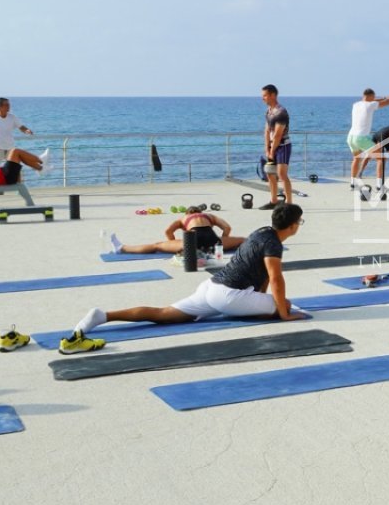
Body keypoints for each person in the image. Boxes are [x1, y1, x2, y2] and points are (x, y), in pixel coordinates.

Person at [58, 203, 304, 352]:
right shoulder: (273, 245)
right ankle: (263, 309)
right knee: (287, 305)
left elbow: (259, 275)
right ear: (292, 226)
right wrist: (282, 313)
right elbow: (276, 279)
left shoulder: (260, 232)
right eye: (299, 222)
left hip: (210, 287)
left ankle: (103, 316)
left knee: (163, 314)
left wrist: (257, 300)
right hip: (227, 296)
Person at [107, 209, 243, 257]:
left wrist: (172, 242)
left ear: (188, 213)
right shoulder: (210, 216)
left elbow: (168, 231)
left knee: (157, 245)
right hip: (214, 242)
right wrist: (223, 241)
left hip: (192, 242)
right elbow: (227, 228)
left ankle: (121, 248)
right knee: (243, 239)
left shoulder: (183, 218)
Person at [347, 89, 389, 182]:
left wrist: (383, 98)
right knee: (381, 159)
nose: (374, 99)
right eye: (373, 97)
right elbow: (386, 102)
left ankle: (353, 183)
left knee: (356, 159)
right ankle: (379, 185)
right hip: (361, 138)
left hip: (351, 137)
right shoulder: (371, 105)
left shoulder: (356, 104)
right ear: (370, 96)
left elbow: (372, 101)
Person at [260, 84, 293, 209]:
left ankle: (289, 203)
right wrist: (267, 148)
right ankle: (273, 201)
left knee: (282, 174)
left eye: (265, 96)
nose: (263, 98)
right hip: (272, 147)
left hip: (283, 146)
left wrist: (272, 151)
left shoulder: (281, 112)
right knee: (270, 174)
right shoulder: (269, 112)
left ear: (273, 95)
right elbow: (267, 131)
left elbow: (278, 135)